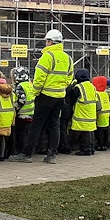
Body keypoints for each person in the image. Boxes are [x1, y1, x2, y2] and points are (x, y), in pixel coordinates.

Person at [9, 29, 73, 164]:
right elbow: (69, 78)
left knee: (36, 125)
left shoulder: (47, 56)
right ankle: (51, 155)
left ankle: (26, 154)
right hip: (59, 96)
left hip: (45, 96)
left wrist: (35, 92)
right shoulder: (67, 58)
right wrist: (60, 87)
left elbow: (39, 79)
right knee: (54, 125)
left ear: (50, 42)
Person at [68, 69, 98, 156]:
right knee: (90, 131)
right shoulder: (92, 86)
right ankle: (92, 148)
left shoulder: (79, 87)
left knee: (85, 132)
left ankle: (86, 149)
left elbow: (73, 98)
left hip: (82, 113)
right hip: (91, 112)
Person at [10, 66, 33, 156]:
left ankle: (22, 152)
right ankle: (28, 151)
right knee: (27, 134)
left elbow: (21, 100)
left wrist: (15, 109)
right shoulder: (30, 84)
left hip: (22, 114)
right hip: (31, 113)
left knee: (22, 135)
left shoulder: (20, 86)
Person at [92, 75, 110, 151]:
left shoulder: (96, 94)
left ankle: (100, 145)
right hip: (107, 113)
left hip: (100, 114)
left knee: (99, 131)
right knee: (106, 130)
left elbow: (97, 104)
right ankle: (104, 145)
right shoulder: (106, 93)